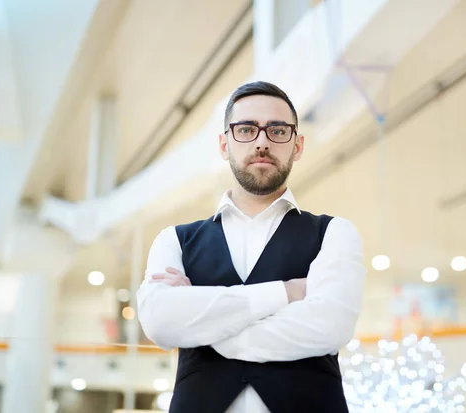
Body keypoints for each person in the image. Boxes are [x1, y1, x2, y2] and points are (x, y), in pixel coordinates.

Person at [137, 81, 366, 413]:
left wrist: (205, 328)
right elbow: (160, 323)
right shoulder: (174, 240)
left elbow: (329, 327)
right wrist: (286, 293)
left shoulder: (335, 233)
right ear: (224, 144)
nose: (261, 142)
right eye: (246, 129)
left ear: (297, 146)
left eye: (277, 130)